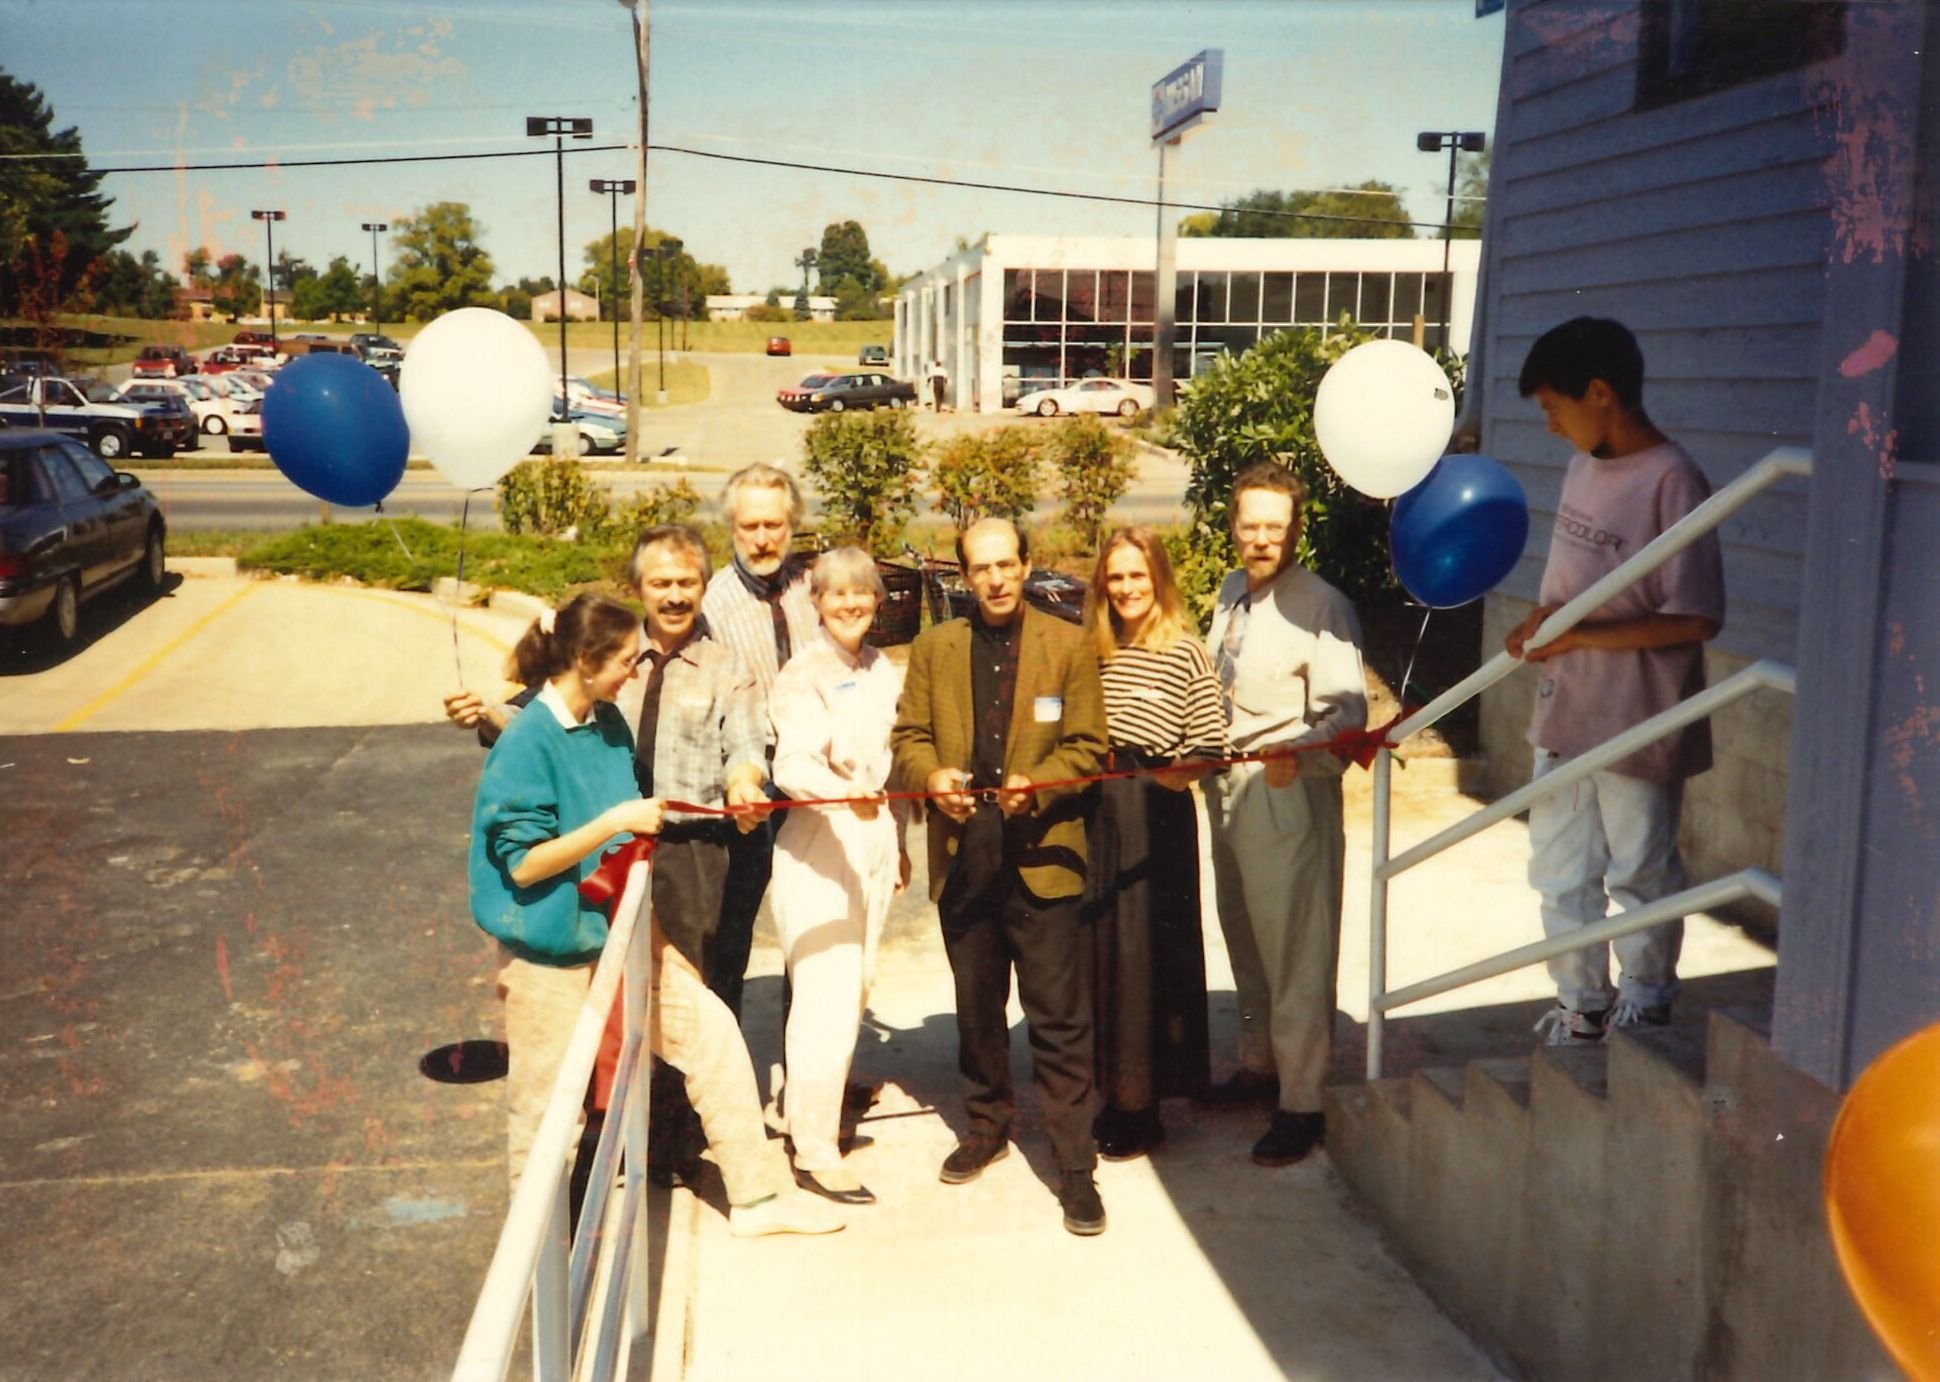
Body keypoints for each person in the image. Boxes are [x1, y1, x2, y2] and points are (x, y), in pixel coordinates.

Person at [466, 592, 840, 1237]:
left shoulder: (607, 722)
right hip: (552, 957)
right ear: (584, 660)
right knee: (547, 1109)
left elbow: (627, 846)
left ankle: (755, 1201)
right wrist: (614, 821)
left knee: (716, 1039)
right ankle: (537, 1248)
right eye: (623, 660)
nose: (634, 670)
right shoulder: (527, 741)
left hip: (626, 933)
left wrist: (661, 942)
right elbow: (524, 865)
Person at [1506, 316, 1724, 1044]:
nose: (1550, 426)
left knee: (1638, 868)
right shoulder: (1582, 466)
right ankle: (1583, 1002)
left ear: (1599, 392)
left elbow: (1694, 618)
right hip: (1566, 708)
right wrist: (1541, 625)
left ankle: (1647, 996)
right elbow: (1576, 590)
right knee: (1559, 871)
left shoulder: (1673, 479)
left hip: (1638, 716)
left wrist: (1578, 634)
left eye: (1553, 408)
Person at [891, 517, 1111, 1235]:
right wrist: (933, 776)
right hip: (967, 851)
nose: (993, 580)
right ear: (962, 574)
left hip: (1043, 853)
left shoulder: (1069, 643)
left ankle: (1075, 1166)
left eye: (1005, 566)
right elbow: (909, 739)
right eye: (978, 569)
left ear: (1026, 566)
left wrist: (1038, 784)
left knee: (1058, 1017)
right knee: (978, 1009)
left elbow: (1088, 748)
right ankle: (986, 1127)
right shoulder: (933, 647)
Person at [1202, 463, 1367, 1168]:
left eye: (1275, 527)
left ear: (1294, 529)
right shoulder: (1231, 592)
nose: (1261, 539)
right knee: (1245, 937)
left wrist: (1293, 750)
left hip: (1284, 791)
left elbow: (1347, 713)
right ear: (1234, 526)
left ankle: (1302, 1102)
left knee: (1296, 947)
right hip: (1227, 787)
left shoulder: (1322, 604)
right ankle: (1259, 1064)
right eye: (1250, 525)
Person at [768, 548, 912, 1206]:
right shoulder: (802, 674)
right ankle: (816, 1149)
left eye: (863, 594)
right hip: (820, 843)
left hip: (874, 839)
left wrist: (899, 843)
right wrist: (838, 795)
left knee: (855, 988)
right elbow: (793, 765)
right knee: (824, 997)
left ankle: (812, 1113)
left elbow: (893, 761)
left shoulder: (881, 667)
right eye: (837, 595)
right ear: (816, 603)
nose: (852, 604)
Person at [1079, 527, 1225, 1161]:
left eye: (1139, 575)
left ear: (1158, 579)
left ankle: (1145, 1102)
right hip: (1096, 814)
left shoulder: (1187, 652)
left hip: (1157, 811)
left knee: (1148, 959)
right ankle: (1111, 1088)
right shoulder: (1091, 650)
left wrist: (1179, 771)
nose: (1128, 588)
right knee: (1102, 952)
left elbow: (1211, 743)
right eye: (1117, 577)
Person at [700, 463, 823, 1018]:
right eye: (749, 525)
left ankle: (811, 1073)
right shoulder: (709, 605)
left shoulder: (813, 589)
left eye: (774, 524)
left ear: (792, 525)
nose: (762, 538)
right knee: (731, 932)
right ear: (731, 527)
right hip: (748, 783)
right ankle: (717, 1085)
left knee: (815, 928)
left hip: (814, 778)